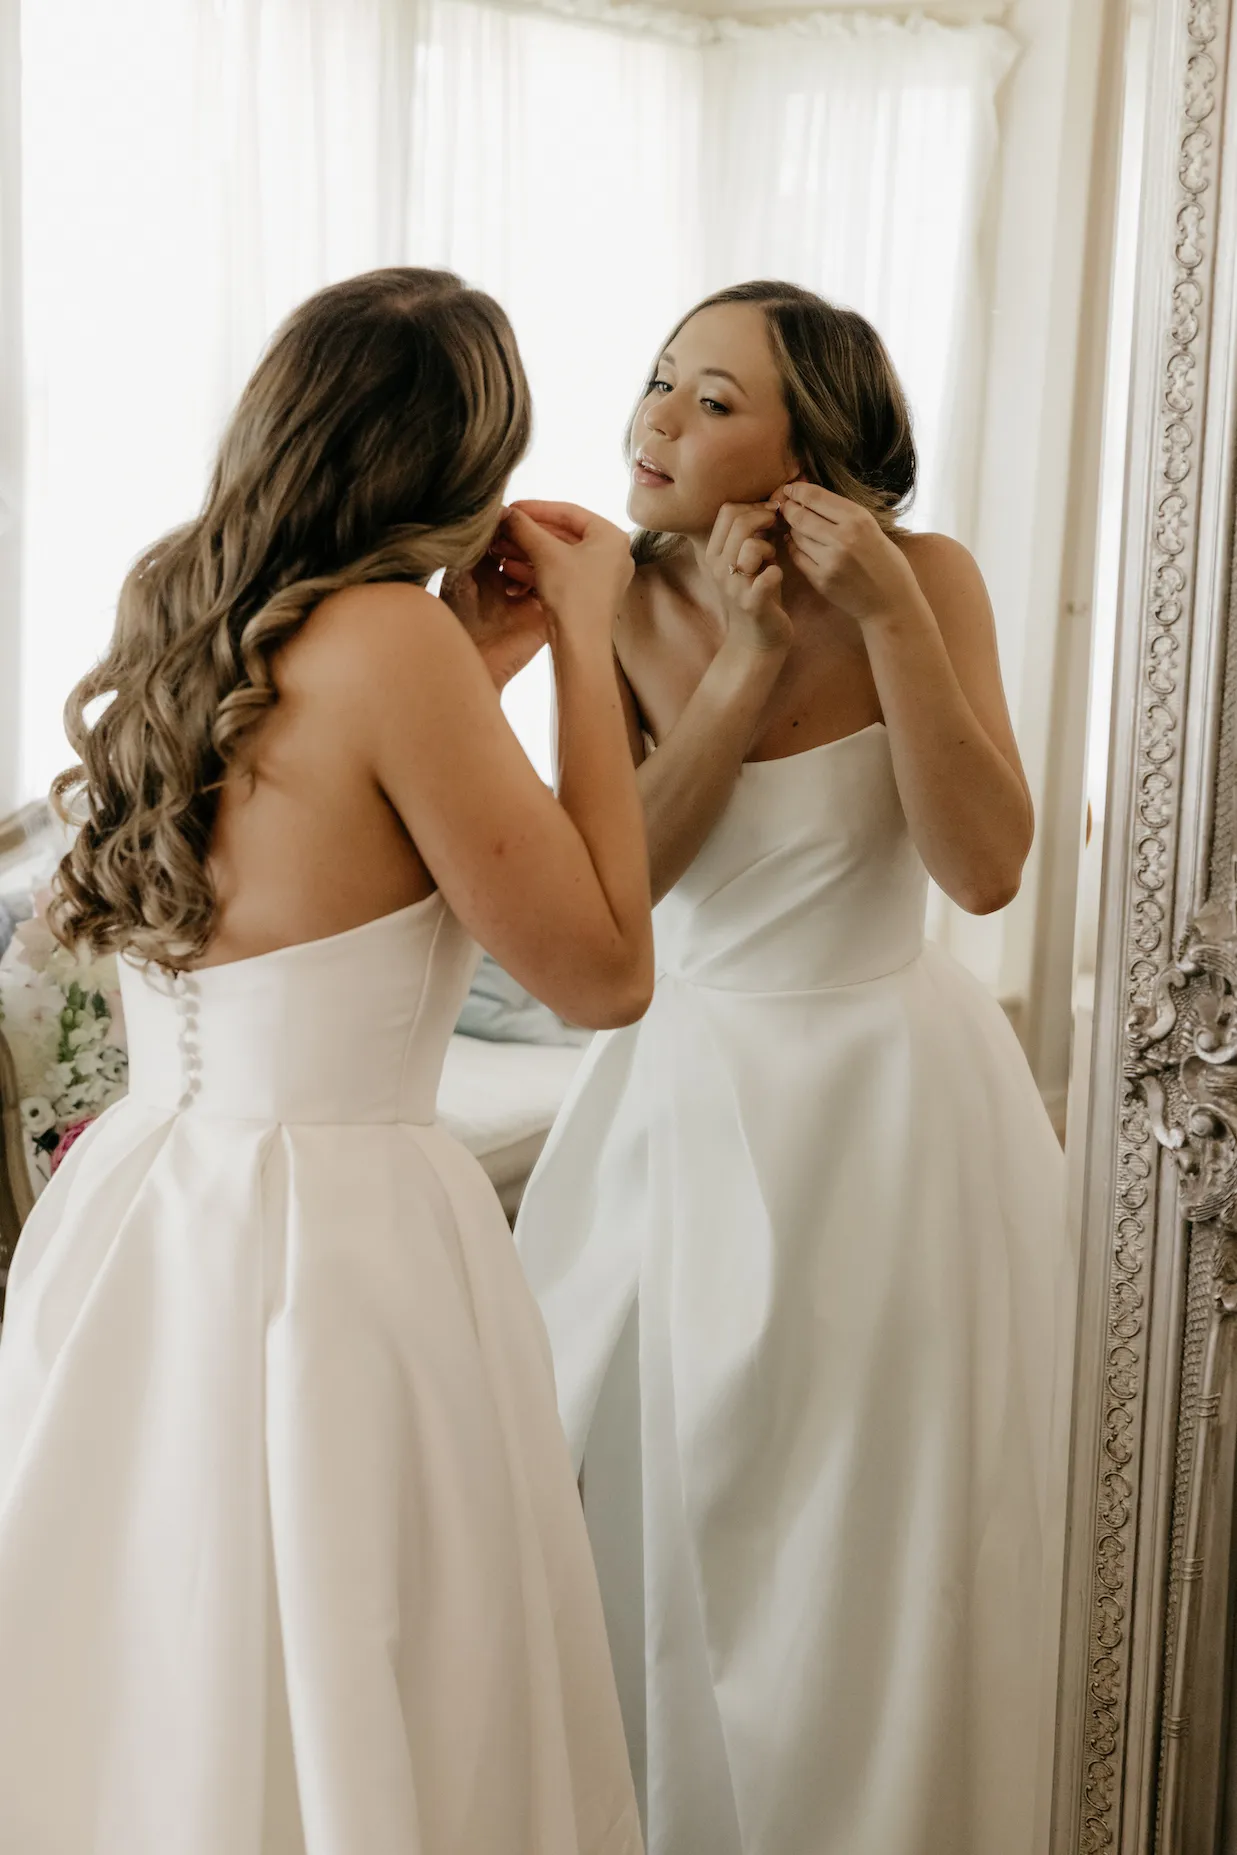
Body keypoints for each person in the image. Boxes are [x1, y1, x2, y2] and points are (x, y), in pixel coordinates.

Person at [0, 268, 650, 1855]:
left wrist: (470, 664)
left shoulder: (184, 605)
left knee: (162, 1654)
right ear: (463, 459)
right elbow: (608, 967)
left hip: (147, 1210)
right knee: (364, 1658)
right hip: (337, 1237)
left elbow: (326, 837)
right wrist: (585, 640)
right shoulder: (391, 645)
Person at [508, 282, 1071, 1855]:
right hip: (681, 1104)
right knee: (654, 1496)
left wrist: (886, 619)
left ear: (808, 446)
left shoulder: (933, 578)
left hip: (899, 1118)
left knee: (876, 1540)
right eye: (657, 384)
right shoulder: (611, 599)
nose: (653, 423)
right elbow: (633, 885)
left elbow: (984, 871)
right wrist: (745, 660)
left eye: (709, 399)